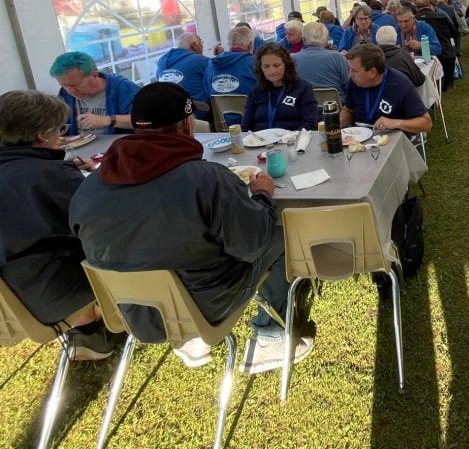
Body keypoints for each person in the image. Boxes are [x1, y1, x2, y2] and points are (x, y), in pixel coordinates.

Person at [71, 82, 311, 373]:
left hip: (134, 312)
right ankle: (271, 333)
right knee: (280, 231)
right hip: (205, 304)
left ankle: (191, 339)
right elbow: (252, 243)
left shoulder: (90, 185)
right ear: (187, 124)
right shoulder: (206, 178)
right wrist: (262, 194)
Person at [0, 91, 120, 360]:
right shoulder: (51, 177)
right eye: (60, 130)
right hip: (34, 305)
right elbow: (105, 226)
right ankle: (100, 323)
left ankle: (89, 333)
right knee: (105, 249)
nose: (62, 137)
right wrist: (92, 183)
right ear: (42, 136)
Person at [341, 44, 433, 135]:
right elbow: (349, 110)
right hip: (357, 137)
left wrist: (395, 123)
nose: (350, 74)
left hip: (389, 138)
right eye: (350, 69)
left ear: (372, 72)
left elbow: (426, 123)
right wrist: (337, 122)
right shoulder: (354, 82)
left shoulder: (401, 85)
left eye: (355, 71)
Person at [52, 51, 139, 135]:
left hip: (117, 147)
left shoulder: (124, 89)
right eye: (64, 86)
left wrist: (108, 120)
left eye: (76, 85)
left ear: (94, 75)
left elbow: (147, 121)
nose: (70, 91)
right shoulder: (65, 93)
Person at [241, 43, 317, 131]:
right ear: (260, 68)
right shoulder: (255, 92)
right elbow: (245, 127)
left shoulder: (303, 88)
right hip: (261, 142)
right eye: (266, 66)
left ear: (286, 65)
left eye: (277, 65)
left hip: (292, 141)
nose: (272, 71)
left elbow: (310, 122)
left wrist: (291, 138)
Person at [293, 23, 350, 101]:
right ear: (326, 39)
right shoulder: (337, 57)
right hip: (336, 106)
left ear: (303, 39)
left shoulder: (293, 59)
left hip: (305, 107)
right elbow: (348, 86)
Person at [156, 32, 210, 105]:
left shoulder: (161, 64)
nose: (202, 46)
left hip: (170, 110)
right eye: (201, 43)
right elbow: (219, 72)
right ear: (195, 45)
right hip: (196, 111)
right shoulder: (199, 60)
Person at [415, 0, 457, 91]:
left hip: (424, 54)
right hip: (445, 51)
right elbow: (453, 30)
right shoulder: (441, 16)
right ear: (429, 5)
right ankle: (448, 85)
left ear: (417, 7)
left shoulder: (414, 19)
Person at [203, 26, 257, 98]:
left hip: (220, 109)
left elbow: (207, 91)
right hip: (251, 108)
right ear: (250, 45)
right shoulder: (255, 63)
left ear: (229, 45)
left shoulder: (211, 65)